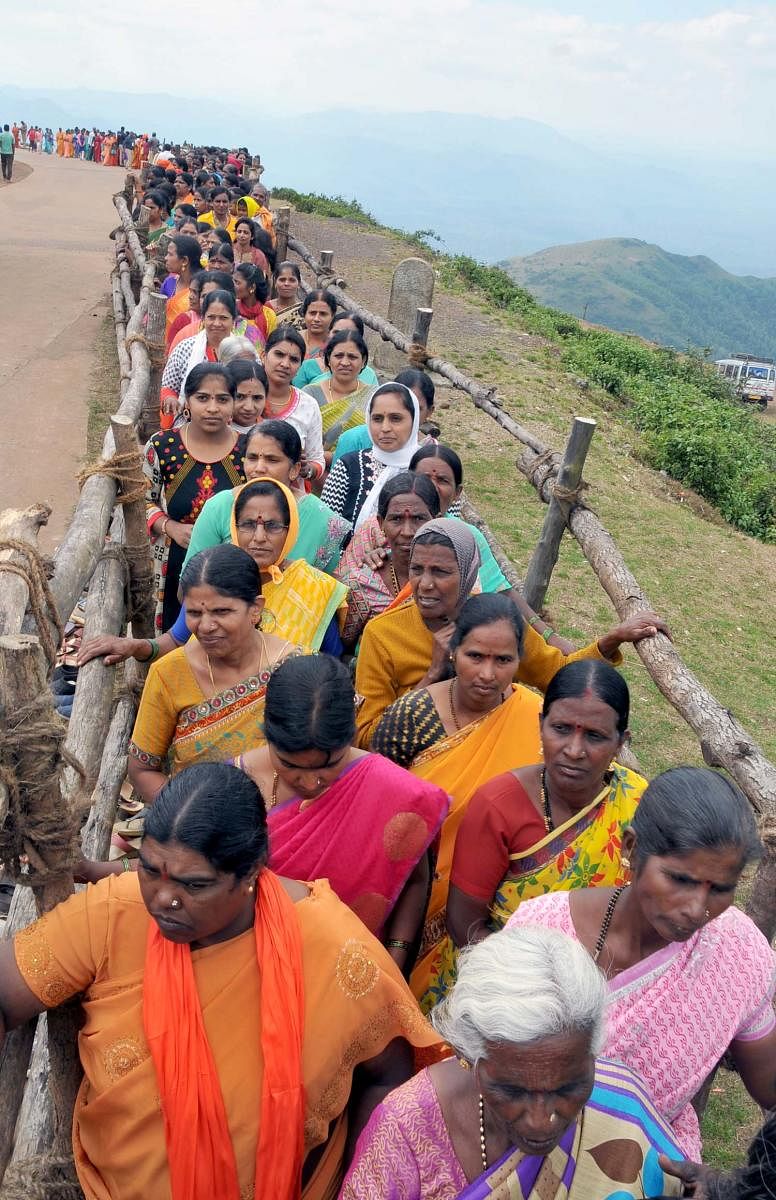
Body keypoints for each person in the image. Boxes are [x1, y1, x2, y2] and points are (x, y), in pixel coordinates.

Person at [0, 762, 440, 1199]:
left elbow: (389, 1072)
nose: (164, 899)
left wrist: (361, 1185)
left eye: (196, 885)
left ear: (251, 873)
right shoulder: (115, 912)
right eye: (150, 870)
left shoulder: (336, 951)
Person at [508, 766, 776, 1158]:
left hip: (647, 1170)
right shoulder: (539, 931)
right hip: (516, 1153)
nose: (697, 909)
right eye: (679, 879)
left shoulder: (738, 952)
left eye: (720, 889)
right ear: (632, 848)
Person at [341, 926, 684, 1199]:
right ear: (468, 1057)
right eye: (511, 1090)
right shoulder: (407, 1128)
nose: (540, 1122)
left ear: (592, 1055)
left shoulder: (622, 1108)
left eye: (568, 1087)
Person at [429, 660, 645, 1009]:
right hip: (496, 987)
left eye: (595, 736)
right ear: (540, 724)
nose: (574, 750)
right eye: (561, 729)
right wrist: (538, 994)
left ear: (622, 742)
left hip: (600, 993)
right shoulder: (498, 805)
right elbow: (464, 926)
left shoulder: (636, 801)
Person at [355, 517, 670, 749]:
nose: (424, 584)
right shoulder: (383, 635)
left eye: (441, 572)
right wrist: (433, 674)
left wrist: (612, 639)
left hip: (498, 757)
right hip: (413, 769)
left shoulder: (499, 624)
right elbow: (365, 737)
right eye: (417, 569)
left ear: (467, 571)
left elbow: (557, 674)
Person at [371, 591, 544, 1003]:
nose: (488, 674)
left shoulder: (535, 718)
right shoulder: (411, 717)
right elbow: (376, 808)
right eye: (475, 656)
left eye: (503, 661)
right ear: (452, 652)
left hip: (493, 902)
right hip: (405, 895)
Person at [236, 654, 449, 971]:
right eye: (290, 765)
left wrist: (395, 957)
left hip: (356, 972)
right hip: (253, 967)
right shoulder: (234, 788)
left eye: (330, 764)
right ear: (268, 735)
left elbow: (414, 880)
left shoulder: (394, 791)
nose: (311, 781)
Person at [128, 546, 300, 798]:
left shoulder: (293, 667)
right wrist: (191, 817)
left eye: (222, 611)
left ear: (256, 608)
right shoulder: (168, 673)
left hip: (282, 822)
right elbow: (141, 770)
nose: (206, 626)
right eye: (194, 613)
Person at [145, 362, 244, 632]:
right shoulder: (162, 446)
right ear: (186, 401)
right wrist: (169, 527)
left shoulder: (249, 452)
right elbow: (139, 501)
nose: (213, 408)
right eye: (203, 398)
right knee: (173, 639)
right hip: (174, 558)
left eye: (222, 399)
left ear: (233, 404)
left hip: (232, 565)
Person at [336, 471, 440, 647]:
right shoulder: (362, 584)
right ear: (381, 522)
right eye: (396, 519)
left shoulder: (454, 579)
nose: (407, 532)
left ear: (437, 521)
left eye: (418, 519)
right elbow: (339, 650)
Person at [321, 383, 420, 528]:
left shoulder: (428, 467)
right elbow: (326, 527)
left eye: (396, 418)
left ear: (414, 420)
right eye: (377, 419)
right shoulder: (347, 466)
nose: (385, 428)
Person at [160, 288, 240, 425]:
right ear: (203, 318)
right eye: (211, 317)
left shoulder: (243, 352)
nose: (216, 323)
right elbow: (169, 386)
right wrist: (171, 398)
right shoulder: (186, 348)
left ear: (234, 320)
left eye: (223, 318)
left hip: (235, 424)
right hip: (188, 422)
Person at [263, 326, 325, 481]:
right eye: (279, 354)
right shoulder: (244, 396)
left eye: (294, 359)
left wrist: (307, 469)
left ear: (299, 367)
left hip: (290, 494)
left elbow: (317, 460)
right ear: (263, 355)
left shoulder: (308, 405)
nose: (285, 364)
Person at [333, 367, 433, 463]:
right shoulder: (353, 440)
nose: (411, 415)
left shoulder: (431, 454)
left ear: (430, 411)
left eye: (416, 409)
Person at [305, 331, 374, 455]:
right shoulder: (310, 394)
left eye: (352, 357)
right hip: (313, 469)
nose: (345, 362)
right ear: (328, 359)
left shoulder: (374, 397)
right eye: (339, 356)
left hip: (360, 468)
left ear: (363, 361)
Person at [295, 311, 379, 391]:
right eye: (336, 332)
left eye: (349, 333)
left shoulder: (369, 375)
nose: (343, 337)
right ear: (328, 333)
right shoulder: (307, 367)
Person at [163, 235, 202, 340]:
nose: (165, 258)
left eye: (170, 254)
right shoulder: (170, 282)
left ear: (184, 260)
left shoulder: (203, 286)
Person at [293, 289, 338, 383]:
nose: (316, 319)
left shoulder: (337, 344)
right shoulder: (293, 340)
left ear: (332, 316)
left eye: (323, 314)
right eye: (312, 313)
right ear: (304, 314)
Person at [234, 262, 276, 345]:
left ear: (252, 287)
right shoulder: (232, 310)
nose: (233, 285)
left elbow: (271, 345)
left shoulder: (268, 316)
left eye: (237, 282)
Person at [224, 358, 266, 432]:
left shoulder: (272, 434)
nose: (248, 407)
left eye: (257, 398)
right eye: (239, 397)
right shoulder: (212, 432)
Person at [268, 260, 304, 324]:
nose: (286, 284)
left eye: (292, 280)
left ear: (299, 284)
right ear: (275, 282)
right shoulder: (266, 308)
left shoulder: (302, 311)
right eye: (282, 280)